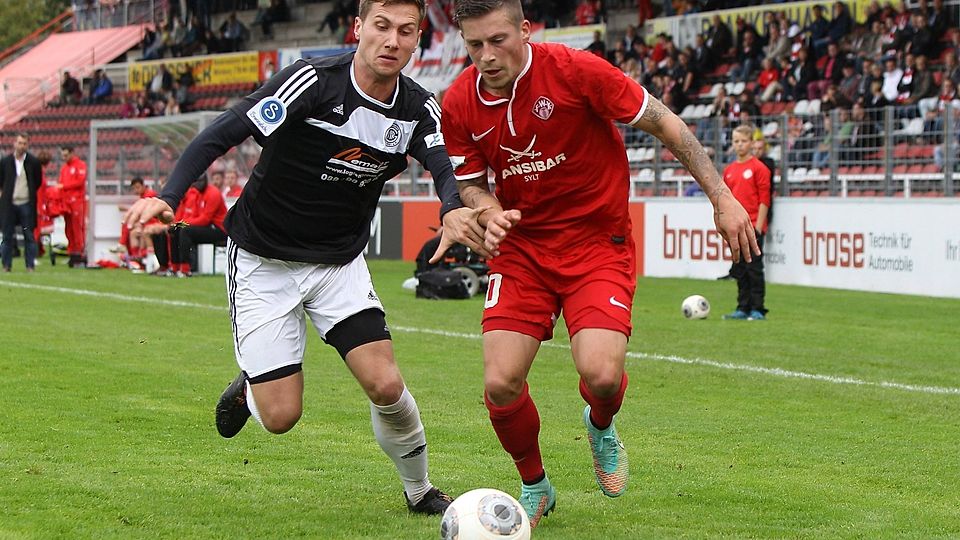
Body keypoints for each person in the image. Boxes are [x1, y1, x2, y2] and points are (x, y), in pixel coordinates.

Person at [124, 0, 490, 516]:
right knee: (280, 416)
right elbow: (226, 130)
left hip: (337, 264)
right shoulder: (312, 81)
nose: (392, 41)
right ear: (359, 27)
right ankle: (252, 388)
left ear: (417, 41)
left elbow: (444, 165)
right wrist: (170, 194)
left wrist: (453, 208)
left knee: (385, 382)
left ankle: (419, 490)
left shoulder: (417, 108)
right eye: (382, 27)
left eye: (406, 31)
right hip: (263, 260)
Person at [440, 0, 758, 528]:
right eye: (475, 45)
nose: (487, 56)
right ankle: (535, 485)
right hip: (522, 248)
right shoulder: (457, 103)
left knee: (603, 376)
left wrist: (721, 196)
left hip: (596, 244)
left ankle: (600, 423)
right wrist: (486, 210)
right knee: (499, 383)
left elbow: (667, 125)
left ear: (525, 28)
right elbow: (470, 183)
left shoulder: (576, 70)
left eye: (498, 40)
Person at [720, 125, 770, 321]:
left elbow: (764, 199)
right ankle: (742, 307)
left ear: (751, 143)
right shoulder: (729, 170)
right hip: (735, 227)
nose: (739, 145)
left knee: (754, 268)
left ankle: (758, 308)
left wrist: (759, 226)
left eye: (743, 141)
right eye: (736, 141)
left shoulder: (759, 168)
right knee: (739, 268)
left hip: (753, 226)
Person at [0, 133, 43, 272]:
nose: (21, 146)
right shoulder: (6, 162)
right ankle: (6, 265)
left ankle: (30, 265)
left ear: (27, 145)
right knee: (7, 236)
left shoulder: (33, 162)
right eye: (19, 143)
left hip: (26, 204)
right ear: (14, 144)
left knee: (28, 235)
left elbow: (37, 182)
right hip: (9, 204)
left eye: (24, 143)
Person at [57, 145, 88, 267]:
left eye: (66, 155)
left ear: (72, 153)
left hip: (77, 202)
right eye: (62, 156)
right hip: (66, 201)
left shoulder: (80, 165)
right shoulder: (64, 168)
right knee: (68, 228)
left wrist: (64, 186)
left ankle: (79, 253)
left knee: (77, 228)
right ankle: (71, 253)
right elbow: (60, 182)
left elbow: (80, 182)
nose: (64, 158)